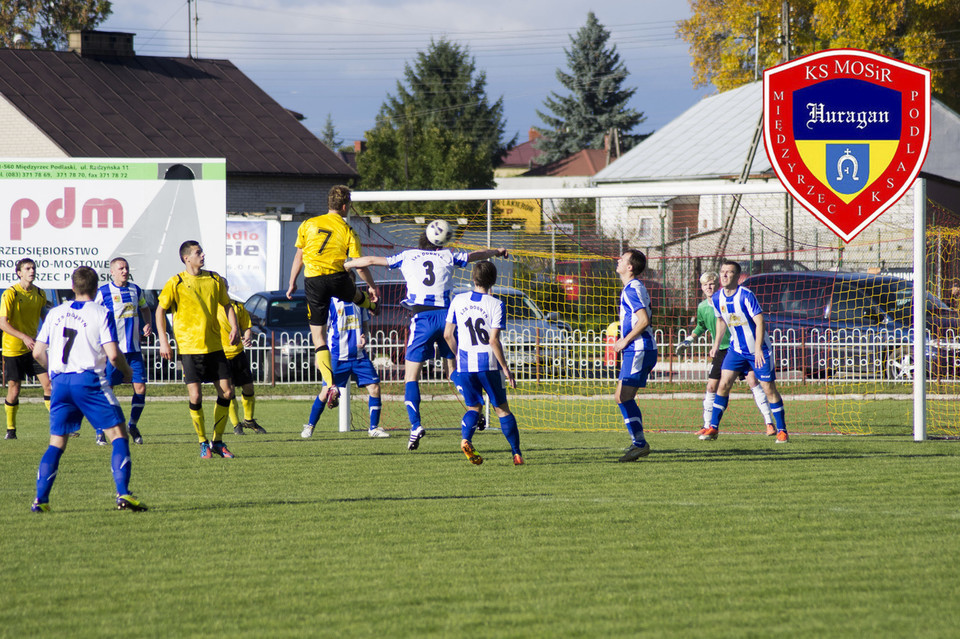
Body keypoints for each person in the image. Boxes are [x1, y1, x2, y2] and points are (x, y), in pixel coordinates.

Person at [344, 228, 507, 452]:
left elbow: (371, 260)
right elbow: (474, 255)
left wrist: (348, 264)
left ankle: (416, 425)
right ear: (440, 243)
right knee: (452, 371)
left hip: (422, 319)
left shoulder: (408, 255)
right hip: (447, 317)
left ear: (421, 244)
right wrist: (497, 251)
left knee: (411, 377)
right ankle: (474, 404)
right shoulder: (447, 255)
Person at [31, 266, 147, 512]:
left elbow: (38, 352)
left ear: (72, 288)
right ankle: (124, 494)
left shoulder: (55, 313)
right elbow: (114, 355)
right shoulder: (101, 312)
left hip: (60, 382)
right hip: (89, 381)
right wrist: (127, 373)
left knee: (56, 443)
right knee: (117, 435)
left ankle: (41, 501)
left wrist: (53, 373)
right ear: (96, 289)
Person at [286, 185, 379, 411]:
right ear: (345, 206)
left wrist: (291, 282)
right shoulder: (348, 230)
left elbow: (299, 254)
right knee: (356, 297)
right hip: (338, 278)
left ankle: (330, 384)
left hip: (314, 282)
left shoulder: (308, 224)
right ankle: (370, 305)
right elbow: (358, 264)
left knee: (319, 339)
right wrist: (371, 286)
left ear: (329, 204)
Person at [156, 241, 240, 459]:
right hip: (189, 347)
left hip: (214, 346)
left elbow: (227, 305)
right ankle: (203, 442)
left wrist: (235, 328)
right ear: (187, 258)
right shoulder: (176, 282)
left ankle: (218, 442)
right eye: (197, 253)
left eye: (202, 251)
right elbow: (160, 311)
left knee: (228, 392)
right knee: (196, 396)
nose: (202, 255)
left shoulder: (214, 279)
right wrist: (164, 341)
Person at [676, 271, 775, 437]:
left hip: (740, 348)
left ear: (718, 285)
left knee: (753, 382)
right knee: (712, 386)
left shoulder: (727, 300)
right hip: (722, 351)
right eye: (705, 284)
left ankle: (769, 423)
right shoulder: (702, 307)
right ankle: (707, 425)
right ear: (701, 287)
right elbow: (701, 326)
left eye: (712, 283)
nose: (709, 287)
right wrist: (688, 340)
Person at [444, 260, 523, 465]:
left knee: (473, 408)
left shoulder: (457, 300)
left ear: (473, 277)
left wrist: (458, 354)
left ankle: (466, 439)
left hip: (466, 365)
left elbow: (447, 335)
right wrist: (506, 368)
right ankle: (516, 453)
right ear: (494, 281)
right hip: (488, 364)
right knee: (502, 409)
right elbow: (493, 340)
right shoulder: (496, 304)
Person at [703, 259, 789, 443]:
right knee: (723, 384)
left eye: (729, 272)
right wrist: (716, 344)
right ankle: (713, 428)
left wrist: (757, 349)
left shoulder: (746, 295)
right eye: (722, 272)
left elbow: (760, 321)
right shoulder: (717, 298)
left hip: (759, 350)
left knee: (768, 388)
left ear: (737, 276)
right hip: (736, 350)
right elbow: (720, 321)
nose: (724, 275)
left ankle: (782, 430)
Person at [301, 287, 389, 439]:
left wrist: (364, 336)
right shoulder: (331, 303)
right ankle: (309, 426)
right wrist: (320, 355)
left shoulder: (361, 302)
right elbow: (320, 331)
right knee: (325, 392)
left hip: (359, 357)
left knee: (374, 388)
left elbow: (365, 324)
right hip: (337, 357)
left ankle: (373, 428)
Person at [94, 257, 152, 445]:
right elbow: (93, 313)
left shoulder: (135, 290)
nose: (124, 271)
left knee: (141, 387)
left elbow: (145, 308)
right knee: (106, 389)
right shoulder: (104, 292)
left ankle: (132, 425)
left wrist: (148, 323)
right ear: (112, 272)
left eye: (126, 268)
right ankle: (101, 429)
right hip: (113, 350)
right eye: (120, 268)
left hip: (133, 349)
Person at [612, 249, 657, 462]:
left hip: (638, 348)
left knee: (624, 396)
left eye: (622, 259)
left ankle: (639, 444)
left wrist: (624, 340)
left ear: (630, 267)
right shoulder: (633, 288)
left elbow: (644, 320)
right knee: (621, 395)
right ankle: (638, 443)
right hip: (637, 348)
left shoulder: (632, 289)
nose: (618, 261)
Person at [0, 257, 52, 440]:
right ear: (19, 273)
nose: (32, 271)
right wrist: (23, 336)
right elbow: (2, 324)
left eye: (33, 268)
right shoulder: (10, 293)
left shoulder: (40, 293)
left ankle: (59, 426)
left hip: (33, 348)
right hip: (13, 348)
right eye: (27, 268)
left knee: (49, 385)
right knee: (14, 389)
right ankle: (11, 430)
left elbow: (45, 315)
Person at [217, 280, 267, 436]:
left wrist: (247, 337)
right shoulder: (211, 307)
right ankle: (235, 424)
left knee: (249, 387)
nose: (222, 291)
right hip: (221, 355)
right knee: (229, 391)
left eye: (224, 288)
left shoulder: (237, 306)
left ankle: (249, 420)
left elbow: (246, 325)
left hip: (238, 354)